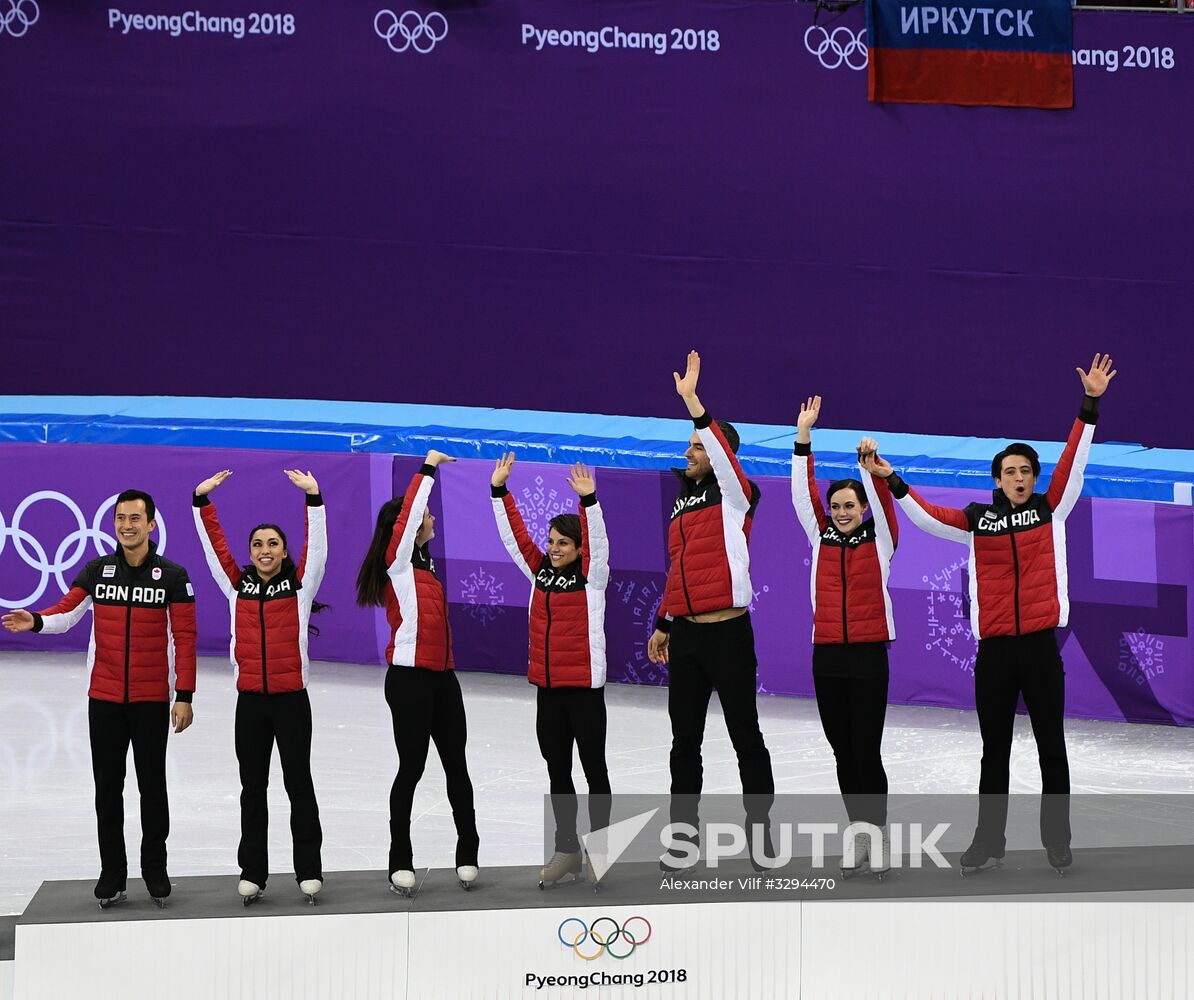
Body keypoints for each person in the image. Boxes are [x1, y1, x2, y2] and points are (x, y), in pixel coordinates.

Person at [863, 354, 1117, 875]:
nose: (1019, 477)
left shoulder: (1051, 509)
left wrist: (1089, 404)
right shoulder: (978, 522)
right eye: (1010, 472)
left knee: (1052, 748)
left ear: (1034, 478)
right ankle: (988, 841)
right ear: (997, 480)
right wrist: (892, 480)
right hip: (995, 653)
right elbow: (930, 519)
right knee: (993, 753)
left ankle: (1057, 841)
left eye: (1026, 471)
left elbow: (1074, 462)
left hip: (1041, 649)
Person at [2, 489, 196, 909]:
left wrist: (184, 695)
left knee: (152, 788)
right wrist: (35, 620)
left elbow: (185, 638)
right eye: (120, 518)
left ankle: (155, 869)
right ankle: (112, 873)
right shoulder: (97, 571)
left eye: (135, 518)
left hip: (149, 702)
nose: (127, 525)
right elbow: (66, 612)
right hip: (104, 700)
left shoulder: (174, 576)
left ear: (151, 524)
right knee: (108, 789)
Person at [647, 351, 774, 871]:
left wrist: (693, 402)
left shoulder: (736, 495)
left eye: (699, 446)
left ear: (723, 455)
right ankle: (683, 839)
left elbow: (721, 456)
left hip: (728, 636)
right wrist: (663, 621)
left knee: (746, 736)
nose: (690, 451)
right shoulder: (681, 502)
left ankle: (760, 835)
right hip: (689, 638)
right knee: (685, 743)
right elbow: (680, 568)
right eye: (691, 445)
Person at [192, 468, 327, 905]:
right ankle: (253, 872)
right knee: (253, 789)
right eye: (257, 545)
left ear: (284, 551)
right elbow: (215, 550)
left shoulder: (300, 586)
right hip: (249, 703)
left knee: (298, 784)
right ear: (251, 553)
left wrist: (313, 499)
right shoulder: (238, 586)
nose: (264, 550)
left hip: (292, 703)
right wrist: (202, 502)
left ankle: (309, 871)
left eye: (272, 544)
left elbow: (318, 550)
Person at [355, 451, 479, 895]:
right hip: (408, 678)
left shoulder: (426, 566)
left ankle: (468, 853)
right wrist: (427, 469)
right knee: (411, 768)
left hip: (443, 678)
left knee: (457, 768)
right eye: (427, 513)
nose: (430, 517)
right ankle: (399, 860)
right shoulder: (399, 563)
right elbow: (407, 518)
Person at [490, 456, 612, 889]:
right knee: (557, 772)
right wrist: (500, 491)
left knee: (594, 770)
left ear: (578, 548)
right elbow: (515, 538)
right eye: (552, 541)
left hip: (584, 692)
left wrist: (588, 502)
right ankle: (567, 851)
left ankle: (599, 851)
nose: (554, 548)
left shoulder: (592, 577)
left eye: (564, 542)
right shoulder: (539, 572)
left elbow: (597, 540)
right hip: (548, 691)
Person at [791, 396, 898, 877]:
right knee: (841, 750)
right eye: (835, 506)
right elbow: (801, 494)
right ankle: (859, 835)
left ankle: (878, 838)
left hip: (869, 656)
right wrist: (803, 438)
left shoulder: (881, 540)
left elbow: (882, 502)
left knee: (866, 749)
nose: (840, 512)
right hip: (827, 656)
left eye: (848, 505)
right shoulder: (821, 537)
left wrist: (869, 469)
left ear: (862, 508)